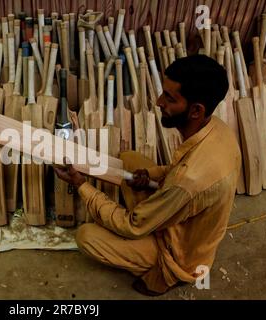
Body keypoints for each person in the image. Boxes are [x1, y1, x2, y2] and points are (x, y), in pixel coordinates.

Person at [54, 55, 241, 296]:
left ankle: (165, 273)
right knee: (130, 159)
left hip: (180, 253)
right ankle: (149, 213)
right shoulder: (217, 129)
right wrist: (151, 176)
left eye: (170, 99)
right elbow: (178, 171)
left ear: (196, 110)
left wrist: (82, 186)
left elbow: (132, 225)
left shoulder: (186, 181)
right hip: (186, 217)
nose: (159, 101)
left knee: (86, 236)